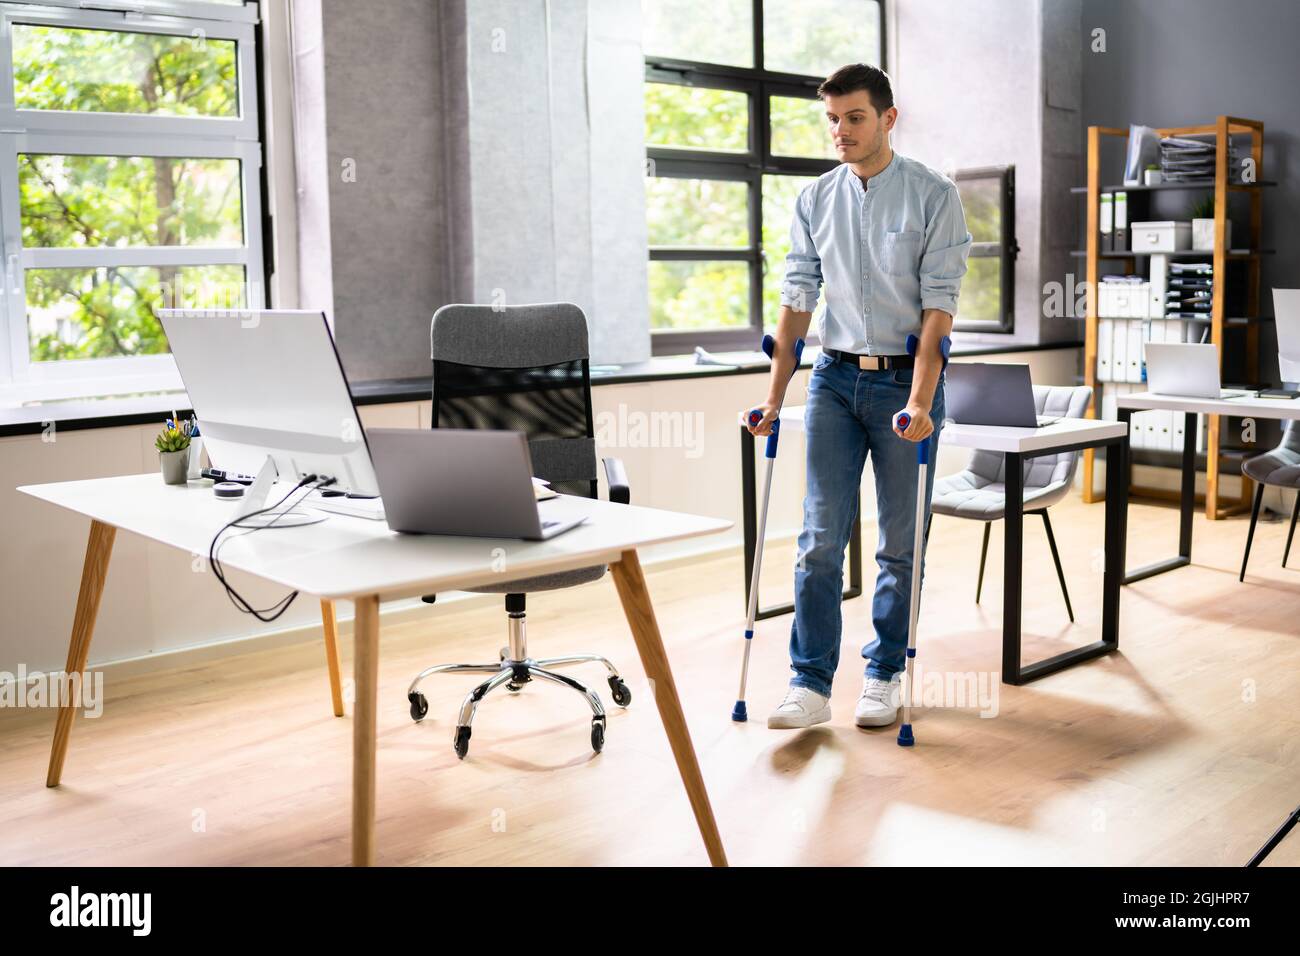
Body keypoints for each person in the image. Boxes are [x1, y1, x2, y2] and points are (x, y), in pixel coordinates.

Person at [747, 62, 971, 730]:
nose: (840, 132)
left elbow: (939, 310)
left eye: (855, 118)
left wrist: (924, 400)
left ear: (888, 119)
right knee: (818, 539)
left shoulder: (934, 195)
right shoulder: (815, 198)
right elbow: (795, 299)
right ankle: (810, 683)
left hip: (906, 381)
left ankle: (884, 673)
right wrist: (772, 396)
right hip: (833, 382)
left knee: (900, 544)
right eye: (832, 120)